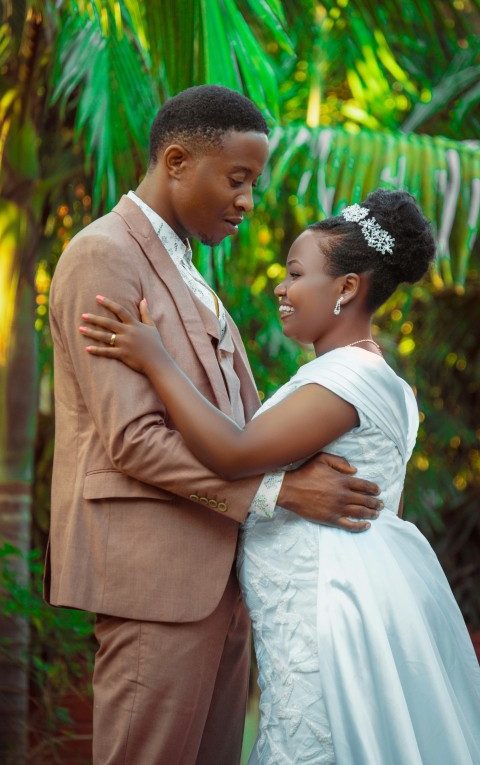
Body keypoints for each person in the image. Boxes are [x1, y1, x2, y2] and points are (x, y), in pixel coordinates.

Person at [80, 187, 480, 764]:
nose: (280, 287)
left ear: (347, 288)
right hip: (322, 608)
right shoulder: (366, 376)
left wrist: (155, 359)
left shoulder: (348, 378)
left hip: (326, 618)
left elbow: (235, 452)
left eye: (295, 273)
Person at [46, 85, 383, 765]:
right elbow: (133, 440)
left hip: (222, 582)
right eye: (237, 179)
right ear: (175, 161)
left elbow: (232, 421)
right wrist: (281, 493)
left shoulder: (185, 266)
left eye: (252, 183)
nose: (249, 202)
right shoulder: (103, 254)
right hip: (155, 582)